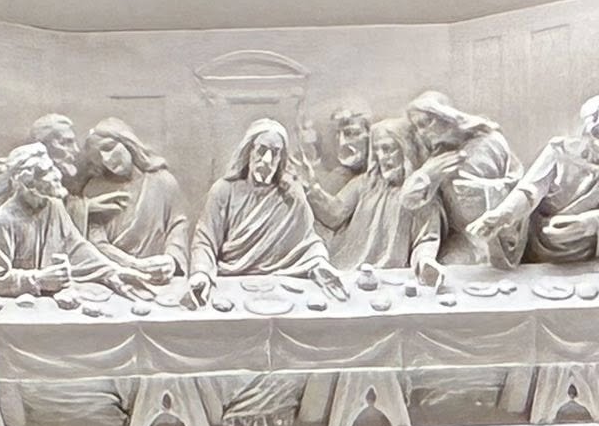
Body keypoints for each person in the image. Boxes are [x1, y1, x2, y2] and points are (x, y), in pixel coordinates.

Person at [186, 118, 344, 306]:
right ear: (249, 151)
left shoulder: (291, 195)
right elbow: (205, 239)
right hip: (231, 283)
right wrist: (201, 272)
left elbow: (309, 242)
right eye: (261, 150)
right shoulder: (224, 191)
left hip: (280, 287)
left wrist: (321, 265)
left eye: (275, 153)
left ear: (281, 159)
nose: (267, 160)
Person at [470, 94, 599, 263]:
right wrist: (504, 214)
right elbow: (530, 190)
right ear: (589, 128)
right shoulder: (558, 151)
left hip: (586, 246)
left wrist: (590, 223)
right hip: (545, 239)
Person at [0, 142, 153, 299]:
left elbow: (76, 245)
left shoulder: (54, 206)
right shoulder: (2, 220)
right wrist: (39, 279)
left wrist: (111, 272)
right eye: (46, 172)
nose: (56, 175)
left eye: (52, 167)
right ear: (27, 183)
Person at [305, 117, 443, 281]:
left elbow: (426, 239)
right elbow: (334, 214)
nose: (382, 157)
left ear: (407, 150)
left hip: (390, 277)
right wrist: (310, 186)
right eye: (376, 150)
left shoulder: (419, 194)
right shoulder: (365, 183)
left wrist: (425, 262)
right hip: (346, 271)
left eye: (388, 149)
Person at [401, 90, 521, 267]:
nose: (422, 132)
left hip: (492, 240)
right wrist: (428, 174)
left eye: (427, 122)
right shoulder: (440, 155)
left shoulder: (488, 142)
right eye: (417, 127)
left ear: (446, 116)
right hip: (462, 241)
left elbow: (473, 202)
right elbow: (408, 200)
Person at [0, 114, 85, 267]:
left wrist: (88, 208)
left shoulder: (51, 185)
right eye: (65, 143)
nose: (76, 150)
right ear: (43, 145)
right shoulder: (14, 175)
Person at [79, 119, 189, 283]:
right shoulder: (94, 189)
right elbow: (95, 242)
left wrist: (171, 260)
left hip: (158, 274)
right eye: (99, 156)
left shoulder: (162, 182)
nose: (107, 159)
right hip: (115, 276)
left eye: (109, 148)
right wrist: (134, 265)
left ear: (128, 143)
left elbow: (178, 226)